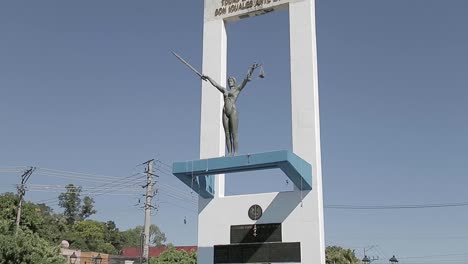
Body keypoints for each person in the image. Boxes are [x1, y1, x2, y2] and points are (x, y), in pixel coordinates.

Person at [202, 63, 259, 156]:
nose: (230, 82)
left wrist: (252, 69)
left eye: (231, 80)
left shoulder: (237, 89)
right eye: (229, 81)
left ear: (234, 82)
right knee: (227, 134)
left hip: (233, 110)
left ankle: (235, 152)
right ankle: (229, 153)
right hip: (225, 111)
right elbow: (215, 85)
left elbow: (245, 80)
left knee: (234, 133)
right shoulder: (225, 90)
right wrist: (207, 77)